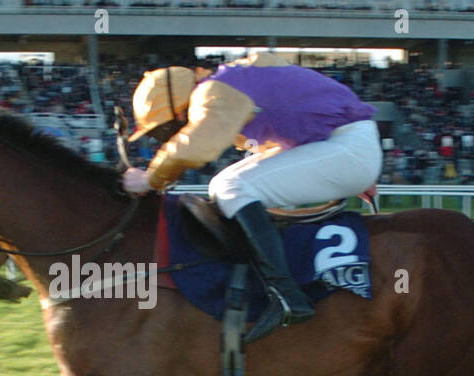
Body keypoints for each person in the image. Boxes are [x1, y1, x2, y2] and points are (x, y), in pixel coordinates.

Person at [122, 53, 380, 343]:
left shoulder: (212, 91)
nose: (166, 136)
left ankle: (286, 294)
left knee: (233, 187)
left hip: (346, 147)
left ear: (179, 109)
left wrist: (150, 177)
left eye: (165, 129)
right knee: (222, 184)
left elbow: (198, 146)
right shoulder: (231, 79)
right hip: (341, 145)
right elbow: (302, 106)